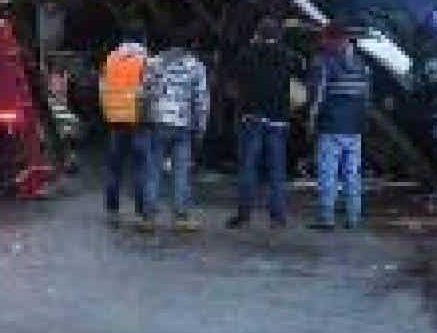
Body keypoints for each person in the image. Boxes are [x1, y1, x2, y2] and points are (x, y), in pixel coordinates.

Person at [226, 17, 300, 229]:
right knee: (277, 170)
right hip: (278, 119)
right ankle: (277, 217)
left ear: (258, 34)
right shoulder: (287, 55)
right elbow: (298, 74)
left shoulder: (247, 54)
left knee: (248, 166)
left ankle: (244, 214)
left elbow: (234, 82)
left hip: (252, 116)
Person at [140, 31, 209, 232]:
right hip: (183, 123)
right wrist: (201, 126)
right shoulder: (196, 66)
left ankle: (149, 217)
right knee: (181, 170)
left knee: (153, 169)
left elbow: (145, 92)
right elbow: (201, 100)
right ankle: (181, 216)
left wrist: (144, 117)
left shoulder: (154, 63)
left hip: (158, 121)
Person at [307, 23, 372, 230]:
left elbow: (317, 96)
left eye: (324, 38)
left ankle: (326, 218)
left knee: (328, 172)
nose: (321, 42)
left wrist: (311, 120)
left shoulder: (324, 62)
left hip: (331, 126)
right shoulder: (362, 64)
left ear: (334, 39)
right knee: (352, 173)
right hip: (354, 127)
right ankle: (353, 218)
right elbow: (367, 98)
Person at [98, 25, 150, 223]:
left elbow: (102, 89)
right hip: (138, 119)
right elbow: (149, 90)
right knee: (140, 165)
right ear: (142, 39)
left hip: (115, 120)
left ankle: (112, 206)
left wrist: (108, 112)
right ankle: (141, 208)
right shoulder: (144, 60)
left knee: (114, 166)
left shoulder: (111, 59)